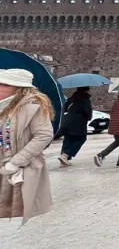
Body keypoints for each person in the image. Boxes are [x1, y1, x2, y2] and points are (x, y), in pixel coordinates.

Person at [0, 69, 54, 224]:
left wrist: (15, 162)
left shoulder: (33, 106)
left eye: (4, 84)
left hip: (12, 165)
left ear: (19, 88)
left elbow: (43, 135)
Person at [58, 86, 92, 166]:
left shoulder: (72, 98)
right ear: (87, 90)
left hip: (68, 121)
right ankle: (65, 155)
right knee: (81, 139)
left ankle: (63, 161)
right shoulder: (85, 99)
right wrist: (88, 116)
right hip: (78, 123)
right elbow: (87, 112)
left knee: (68, 140)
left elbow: (65, 108)